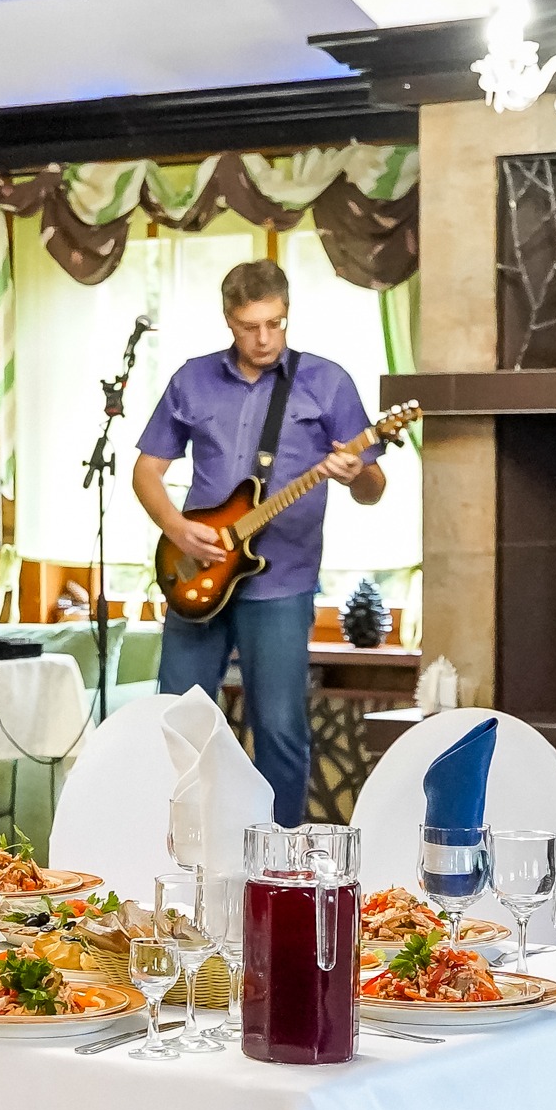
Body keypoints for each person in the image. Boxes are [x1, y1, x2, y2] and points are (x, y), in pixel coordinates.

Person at [131, 257, 386, 825]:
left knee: (279, 730)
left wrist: (355, 476)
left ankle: (281, 856)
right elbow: (147, 471)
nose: (265, 338)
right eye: (250, 326)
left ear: (287, 313)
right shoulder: (192, 379)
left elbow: (373, 488)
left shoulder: (327, 382)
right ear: (229, 320)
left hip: (282, 584)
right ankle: (174, 846)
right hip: (197, 573)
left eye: (275, 323)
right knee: (177, 723)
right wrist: (177, 528)